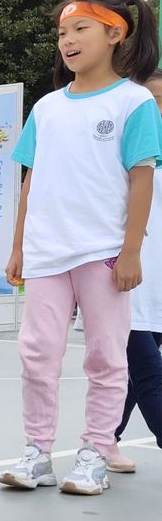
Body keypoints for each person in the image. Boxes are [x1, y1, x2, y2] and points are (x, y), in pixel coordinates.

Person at [0, 0, 162, 496]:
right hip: (47, 253)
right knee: (37, 352)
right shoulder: (46, 107)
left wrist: (131, 250)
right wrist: (19, 246)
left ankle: (94, 452)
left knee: (107, 356)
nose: (67, 41)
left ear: (116, 33)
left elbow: (142, 178)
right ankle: (37, 452)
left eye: (80, 30)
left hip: (103, 251)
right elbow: (31, 180)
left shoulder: (133, 101)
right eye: (62, 33)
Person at [112, 69, 162, 467]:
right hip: (127, 283)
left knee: (133, 375)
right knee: (149, 373)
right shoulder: (121, 160)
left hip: (158, 289)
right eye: (151, 102)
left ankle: (102, 440)